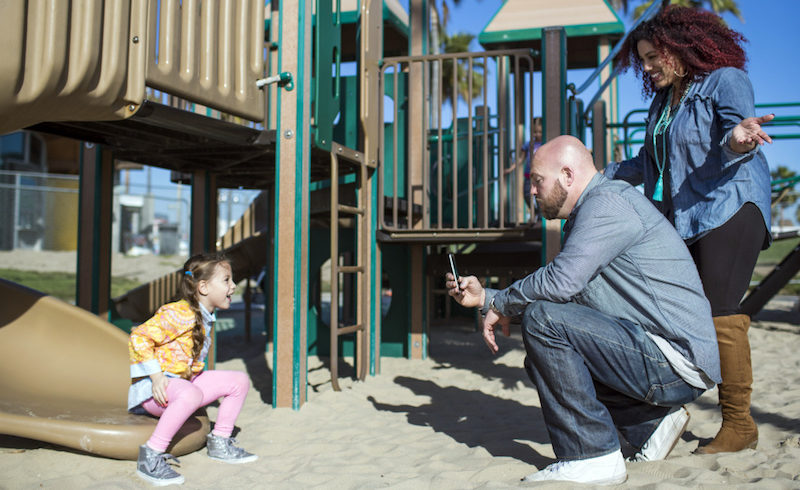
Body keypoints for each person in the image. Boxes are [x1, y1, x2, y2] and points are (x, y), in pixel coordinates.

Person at [447, 136, 721, 485]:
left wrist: (502, 303)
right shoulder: (592, 210)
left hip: (675, 360)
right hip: (661, 354)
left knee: (542, 322)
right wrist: (487, 297)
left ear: (567, 175)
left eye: (536, 180)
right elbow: (568, 298)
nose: (531, 191)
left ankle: (591, 455)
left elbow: (559, 284)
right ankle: (650, 426)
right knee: (544, 353)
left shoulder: (607, 204)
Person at [608, 5, 773, 454]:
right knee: (673, 313)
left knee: (720, 311)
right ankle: (657, 415)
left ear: (680, 47)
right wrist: (596, 176)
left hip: (731, 205)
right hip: (684, 217)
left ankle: (739, 425)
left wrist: (739, 139)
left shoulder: (725, 80)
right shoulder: (663, 102)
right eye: (640, 59)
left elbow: (733, 134)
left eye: (651, 57)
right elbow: (649, 163)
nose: (645, 67)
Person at [128, 252, 257, 486]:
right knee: (191, 393)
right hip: (153, 392)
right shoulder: (178, 313)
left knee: (239, 380)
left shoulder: (205, 315)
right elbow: (138, 337)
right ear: (204, 287)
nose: (234, 286)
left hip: (183, 384)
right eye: (227, 280)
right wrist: (156, 377)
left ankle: (219, 441)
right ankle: (151, 455)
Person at [521, 116, 543, 213]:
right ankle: (535, 212)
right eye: (535, 132)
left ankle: (539, 217)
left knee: (539, 195)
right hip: (528, 174)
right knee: (526, 194)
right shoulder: (529, 144)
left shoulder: (545, 144)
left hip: (540, 175)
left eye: (540, 132)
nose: (537, 134)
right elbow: (521, 158)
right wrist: (511, 168)